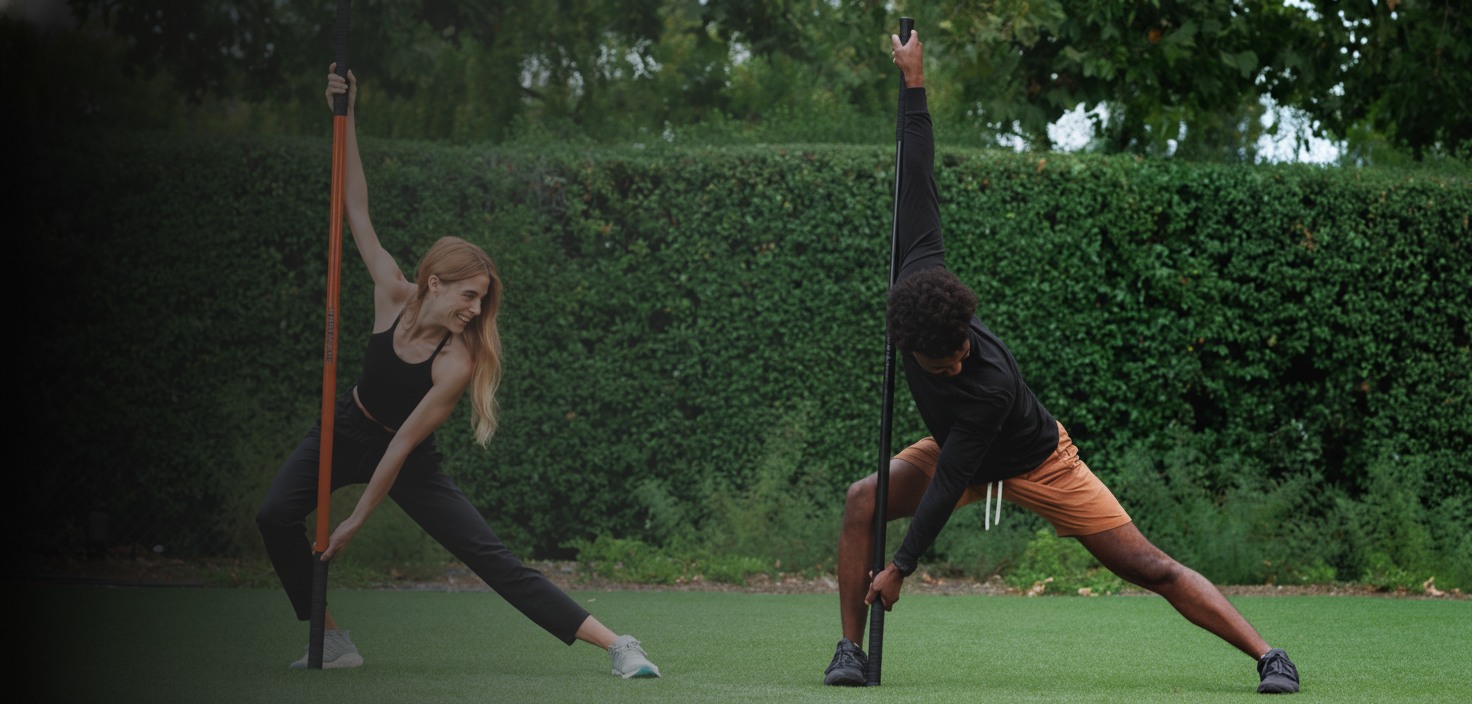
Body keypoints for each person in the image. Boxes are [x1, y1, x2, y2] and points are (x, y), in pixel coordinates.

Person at [821, 32, 1299, 695]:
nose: (958, 362)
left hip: (1038, 460)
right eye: (943, 361)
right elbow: (918, 172)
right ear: (911, 346)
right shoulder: (917, 274)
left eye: (964, 348)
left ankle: (1270, 655)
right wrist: (914, 84)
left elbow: (950, 477)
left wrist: (900, 566)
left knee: (1148, 565)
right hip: (955, 449)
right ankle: (848, 652)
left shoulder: (988, 383)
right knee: (862, 501)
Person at [254, 65, 661, 679]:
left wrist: (356, 520)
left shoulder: (456, 360)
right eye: (468, 296)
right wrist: (347, 115)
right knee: (273, 514)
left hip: (405, 455)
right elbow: (355, 205)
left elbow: (398, 449)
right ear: (434, 283)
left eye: (481, 302)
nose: (474, 310)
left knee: (489, 556)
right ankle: (331, 638)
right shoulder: (392, 293)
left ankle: (617, 644)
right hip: (345, 426)